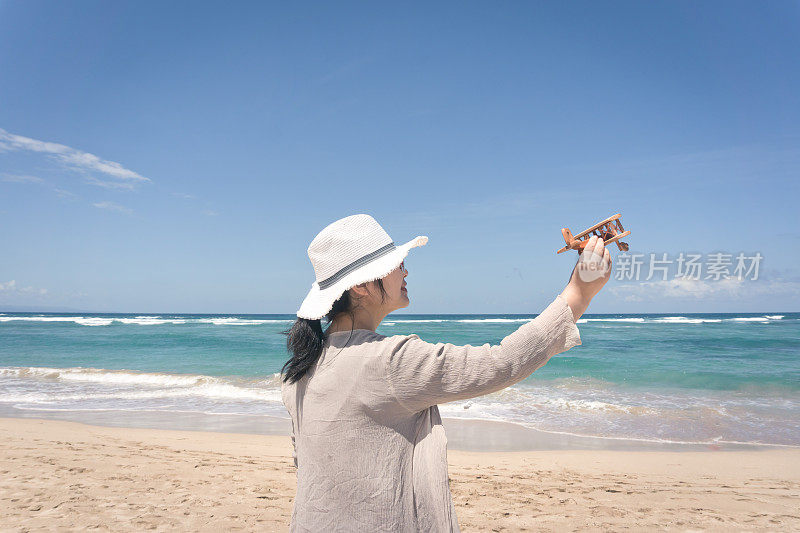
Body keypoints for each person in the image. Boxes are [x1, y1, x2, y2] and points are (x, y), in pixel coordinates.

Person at [280, 213, 611, 532]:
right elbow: (500, 363)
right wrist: (578, 294)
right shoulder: (390, 361)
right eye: (396, 265)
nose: (405, 272)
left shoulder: (300, 369)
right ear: (361, 287)